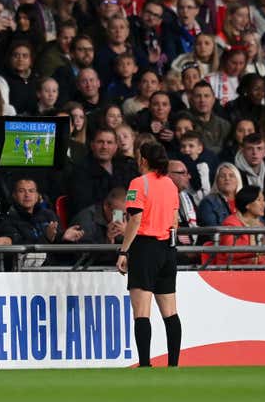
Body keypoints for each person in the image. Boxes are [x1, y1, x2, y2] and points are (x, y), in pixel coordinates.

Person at [116, 142, 181, 368]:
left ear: (143, 159)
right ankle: (174, 365)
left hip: (145, 247)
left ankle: (145, 364)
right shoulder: (171, 185)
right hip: (167, 248)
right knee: (170, 312)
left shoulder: (138, 183)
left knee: (141, 312)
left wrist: (124, 250)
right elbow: (175, 221)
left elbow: (135, 219)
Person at [68, 127, 138, 217]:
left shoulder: (125, 167)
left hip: (124, 218)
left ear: (116, 147)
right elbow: (83, 207)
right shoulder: (80, 172)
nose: (104, 147)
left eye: (109, 142)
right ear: (92, 145)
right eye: (100, 142)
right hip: (95, 222)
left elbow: (133, 193)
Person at [215, 185, 265, 265]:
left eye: (263, 200)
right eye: (259, 200)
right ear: (247, 205)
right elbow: (229, 252)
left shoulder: (260, 225)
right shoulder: (231, 223)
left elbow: (263, 260)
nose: (263, 204)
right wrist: (257, 252)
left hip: (254, 272)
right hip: (232, 272)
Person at [197, 162, 242, 227]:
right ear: (217, 181)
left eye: (231, 176)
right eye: (222, 176)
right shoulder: (208, 203)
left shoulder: (247, 202)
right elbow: (211, 230)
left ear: (238, 180)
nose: (227, 178)